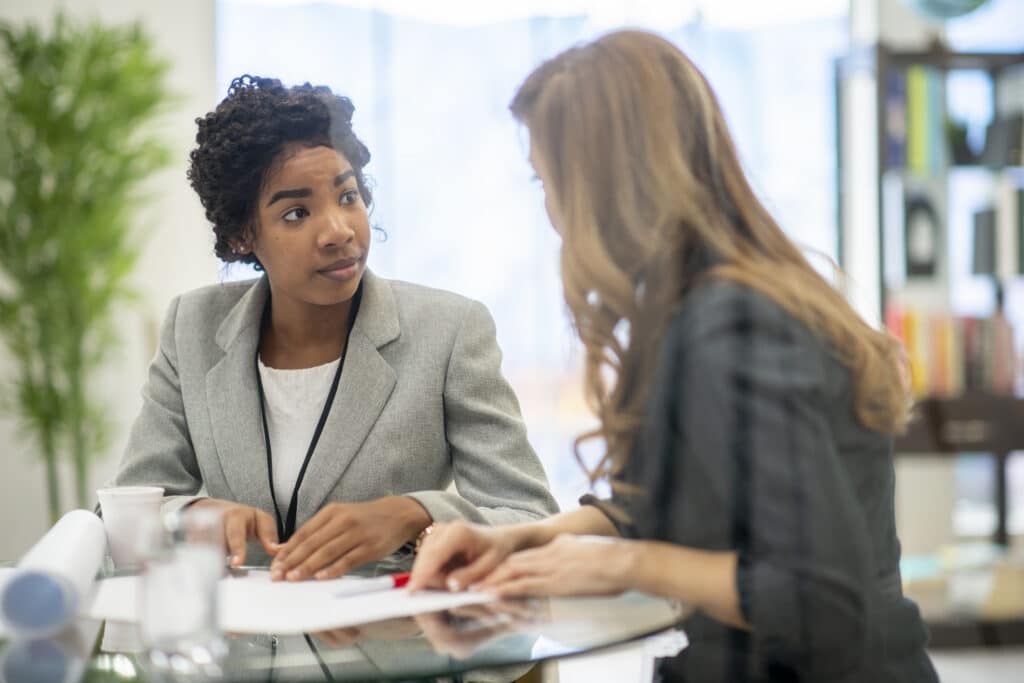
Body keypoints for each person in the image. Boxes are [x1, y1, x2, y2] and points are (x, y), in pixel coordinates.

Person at [408, 30, 938, 682]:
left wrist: (625, 564)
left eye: (548, 182)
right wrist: (526, 536)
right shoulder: (722, 302)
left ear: (604, 186)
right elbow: (697, 501)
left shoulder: (728, 327)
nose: (550, 210)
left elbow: (821, 597)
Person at [109, 75, 558, 582]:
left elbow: (532, 519)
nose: (339, 231)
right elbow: (129, 509)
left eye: (347, 197)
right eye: (297, 212)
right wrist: (193, 514)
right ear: (241, 235)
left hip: (393, 648)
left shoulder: (450, 331)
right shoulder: (192, 327)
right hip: (241, 649)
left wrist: (416, 513)